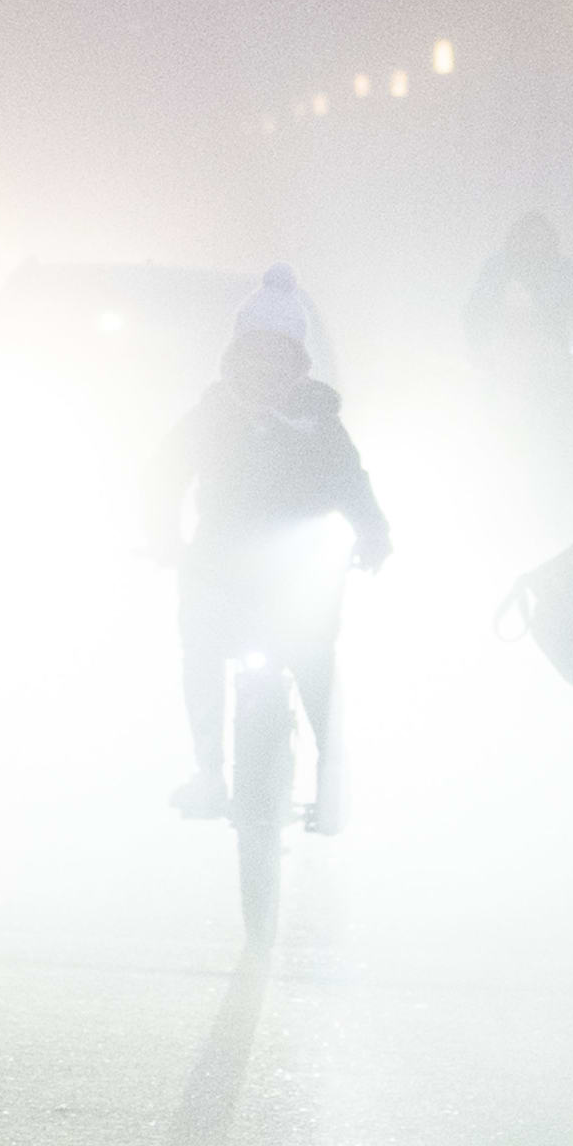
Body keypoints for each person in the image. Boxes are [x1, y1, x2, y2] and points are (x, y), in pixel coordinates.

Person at [144, 266, 392, 827]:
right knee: (202, 651)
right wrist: (163, 534)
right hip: (216, 567)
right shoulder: (212, 414)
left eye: (277, 358)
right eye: (253, 356)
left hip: (297, 574)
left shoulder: (320, 423)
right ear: (235, 358)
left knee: (312, 656)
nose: (264, 369)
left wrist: (374, 534)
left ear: (298, 364)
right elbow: (162, 472)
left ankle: (332, 782)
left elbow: (352, 483)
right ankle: (210, 774)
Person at [464, 212, 573, 471]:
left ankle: (551, 471)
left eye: (539, 240)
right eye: (527, 240)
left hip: (550, 367)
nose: (533, 246)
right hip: (506, 364)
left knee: (553, 429)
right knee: (499, 424)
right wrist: (479, 347)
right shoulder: (498, 270)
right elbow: (476, 309)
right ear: (515, 242)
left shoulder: (564, 272)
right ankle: (496, 465)